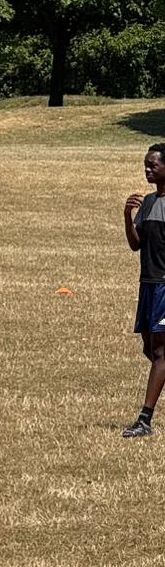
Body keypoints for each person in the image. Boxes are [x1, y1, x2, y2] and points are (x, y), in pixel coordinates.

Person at [121, 142, 165, 438]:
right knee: (150, 349)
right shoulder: (147, 202)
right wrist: (127, 216)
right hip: (147, 284)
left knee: (162, 351)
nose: (148, 169)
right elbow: (136, 245)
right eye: (145, 165)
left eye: (153, 165)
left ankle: (144, 419)